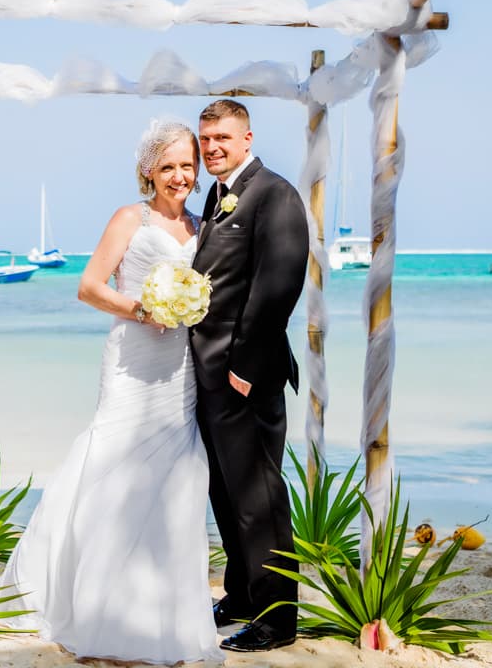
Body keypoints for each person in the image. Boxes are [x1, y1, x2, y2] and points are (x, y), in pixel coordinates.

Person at [0, 119, 223, 665]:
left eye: (187, 165)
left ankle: (160, 610)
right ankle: (97, 608)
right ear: (148, 169)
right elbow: (89, 286)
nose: (179, 175)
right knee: (114, 466)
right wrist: (142, 308)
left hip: (181, 370)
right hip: (133, 358)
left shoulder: (202, 224)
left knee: (176, 479)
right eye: (168, 166)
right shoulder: (130, 218)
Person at [189, 100, 309, 652]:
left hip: (245, 376)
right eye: (205, 137)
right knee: (224, 490)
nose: (212, 146)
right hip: (206, 374)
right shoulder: (216, 197)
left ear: (247, 137)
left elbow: (279, 285)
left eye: (222, 137)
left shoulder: (274, 193)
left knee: (258, 495)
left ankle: (277, 619)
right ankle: (240, 594)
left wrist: (243, 366)